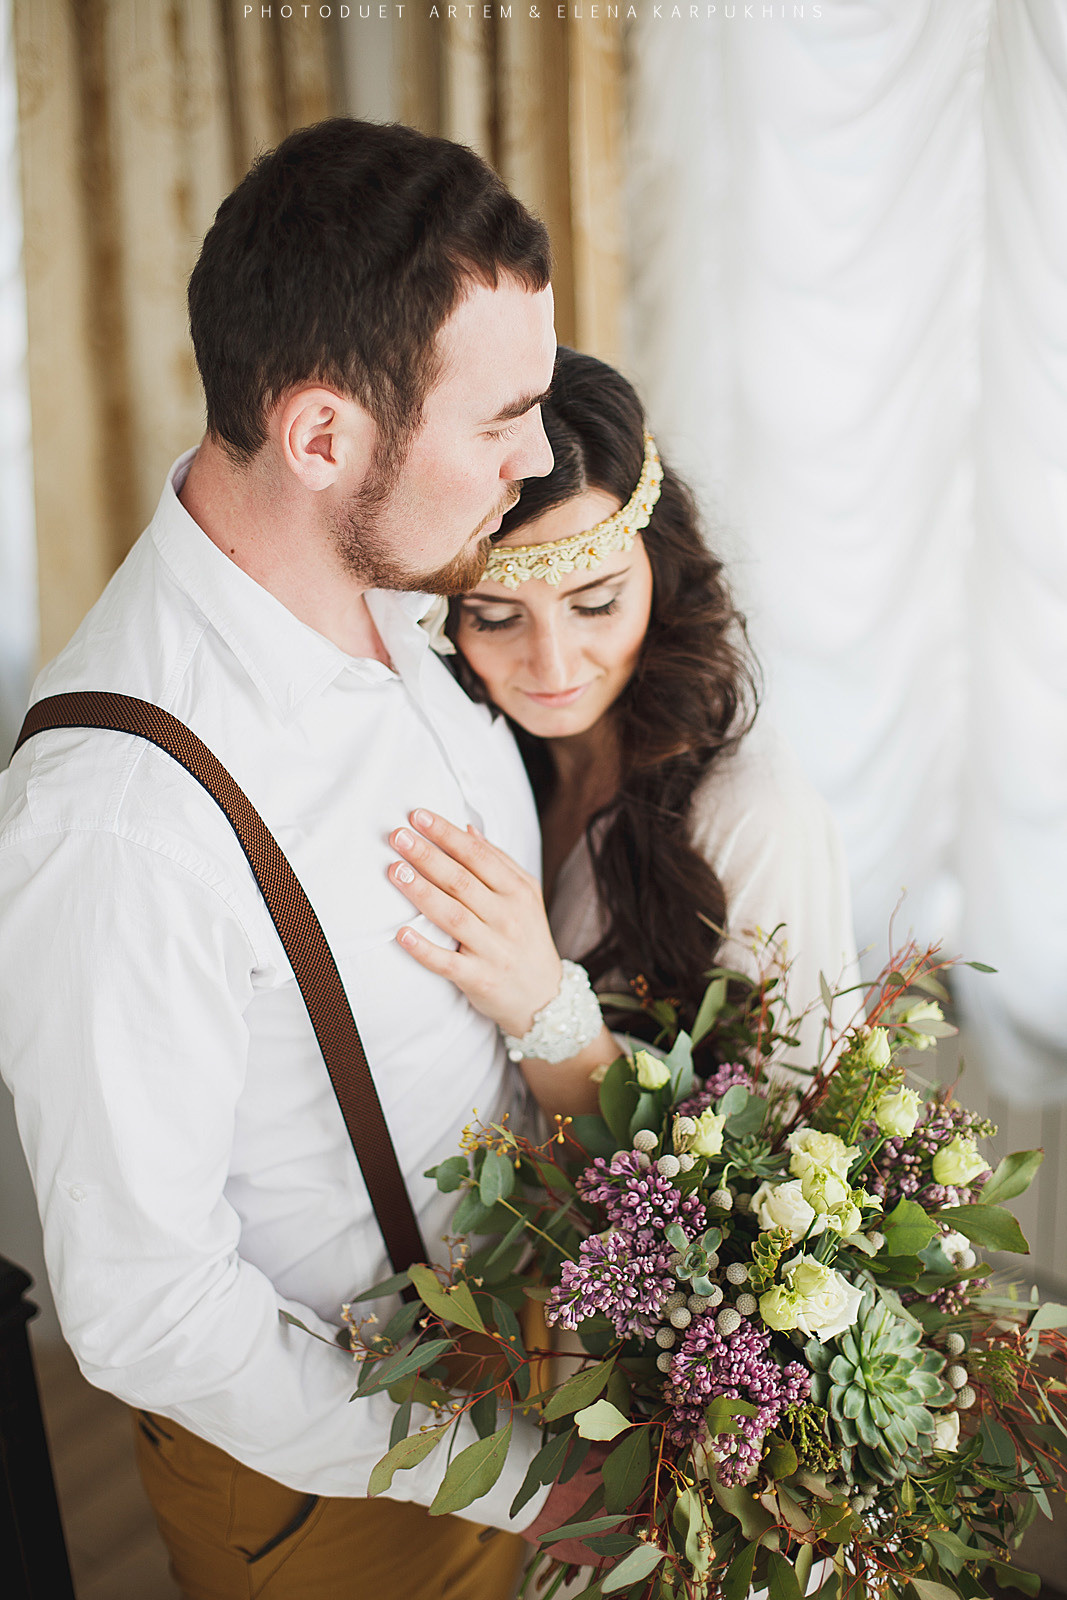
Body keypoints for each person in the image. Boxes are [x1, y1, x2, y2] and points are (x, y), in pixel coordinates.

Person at [0, 122, 602, 1598]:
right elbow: (147, 1315)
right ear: (322, 434)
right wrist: (517, 1472)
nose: (535, 458)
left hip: (533, 1364)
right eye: (502, 416)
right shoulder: (116, 822)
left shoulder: (406, 588)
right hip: (336, 1480)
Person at [385, 347, 858, 1107]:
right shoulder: (467, 746)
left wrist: (544, 1005)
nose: (550, 665)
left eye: (595, 604)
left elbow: (790, 1163)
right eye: (495, 616)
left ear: (660, 571)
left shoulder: (753, 819)